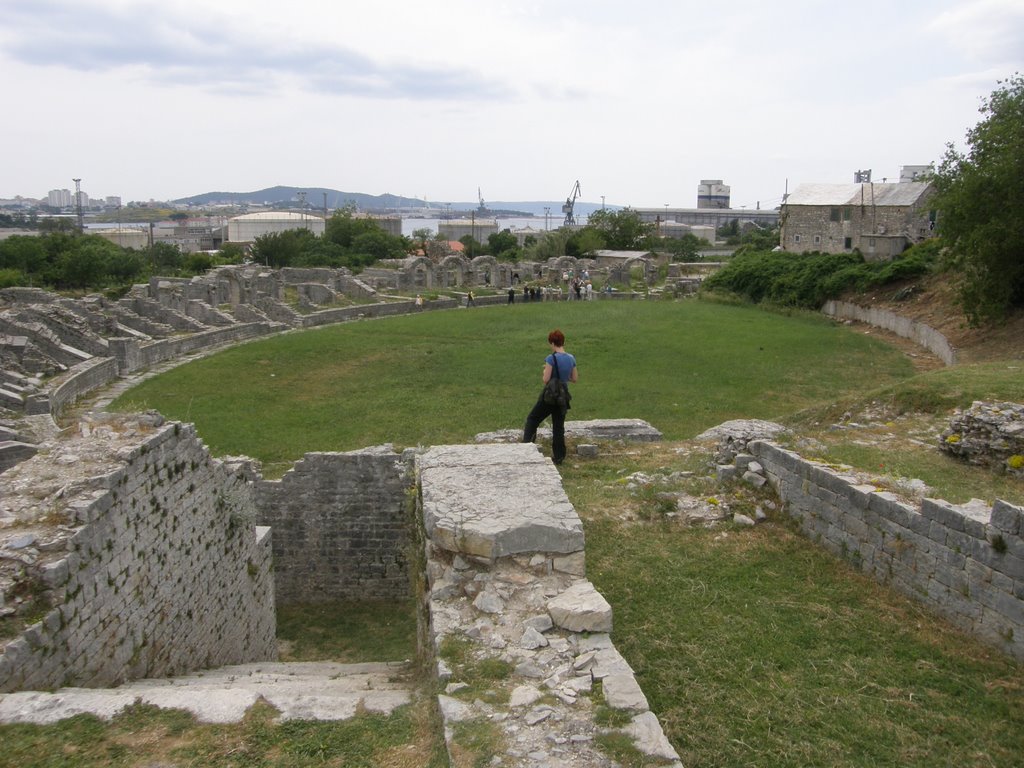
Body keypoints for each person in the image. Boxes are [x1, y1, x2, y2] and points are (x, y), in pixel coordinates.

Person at [522, 329, 578, 466]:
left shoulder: (551, 359)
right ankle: (559, 456)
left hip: (550, 395)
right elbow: (574, 378)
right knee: (558, 426)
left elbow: (546, 379)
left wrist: (544, 371)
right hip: (562, 396)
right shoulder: (571, 358)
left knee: (533, 418)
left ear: (552, 342)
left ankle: (526, 448)